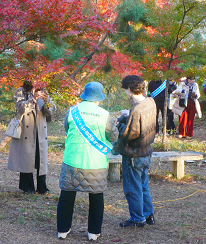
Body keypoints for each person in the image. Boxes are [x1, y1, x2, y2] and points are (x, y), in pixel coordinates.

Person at [57, 82, 118, 241]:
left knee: (67, 196)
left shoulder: (72, 111)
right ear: (99, 98)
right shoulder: (104, 114)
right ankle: (93, 233)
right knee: (96, 198)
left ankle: (62, 230)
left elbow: (67, 129)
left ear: (84, 95)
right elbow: (113, 136)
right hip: (95, 162)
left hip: (72, 159)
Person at [116, 75, 156, 228]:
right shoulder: (150, 101)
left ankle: (137, 219)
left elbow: (129, 134)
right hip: (146, 151)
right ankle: (148, 214)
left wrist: (119, 127)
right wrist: (126, 117)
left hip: (134, 154)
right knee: (143, 185)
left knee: (132, 188)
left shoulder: (137, 109)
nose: (126, 93)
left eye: (126, 90)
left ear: (130, 90)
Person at [7, 80, 56, 194]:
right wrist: (33, 98)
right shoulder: (21, 91)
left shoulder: (45, 91)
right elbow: (21, 108)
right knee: (27, 157)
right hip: (26, 129)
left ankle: (42, 187)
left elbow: (50, 111)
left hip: (40, 129)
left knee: (41, 158)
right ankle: (27, 187)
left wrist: (47, 101)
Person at [148, 71, 165, 135]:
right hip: (163, 102)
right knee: (164, 117)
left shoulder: (151, 83)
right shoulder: (164, 83)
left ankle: (156, 132)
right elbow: (170, 91)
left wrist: (149, 98)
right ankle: (164, 131)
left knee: (155, 117)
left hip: (154, 102)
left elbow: (149, 93)